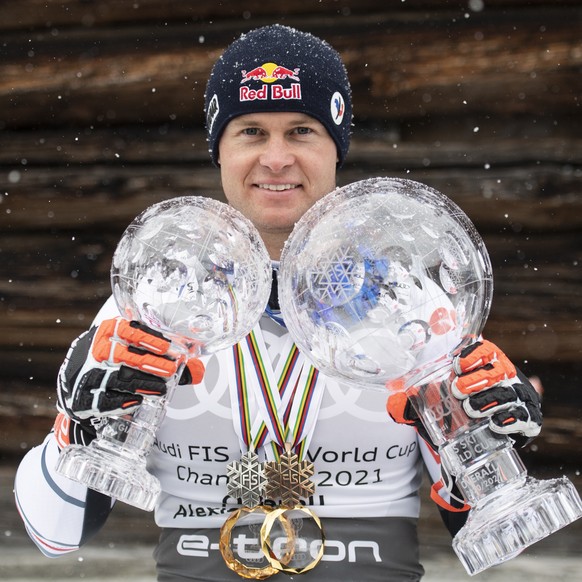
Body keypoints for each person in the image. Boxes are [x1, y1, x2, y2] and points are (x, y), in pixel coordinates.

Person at [14, 24, 543, 581]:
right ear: (219, 149)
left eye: (301, 130)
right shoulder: (154, 306)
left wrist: (492, 439)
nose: (275, 158)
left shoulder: (409, 306)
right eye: (249, 131)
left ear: (336, 148)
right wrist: (75, 427)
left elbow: (491, 533)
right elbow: (55, 533)